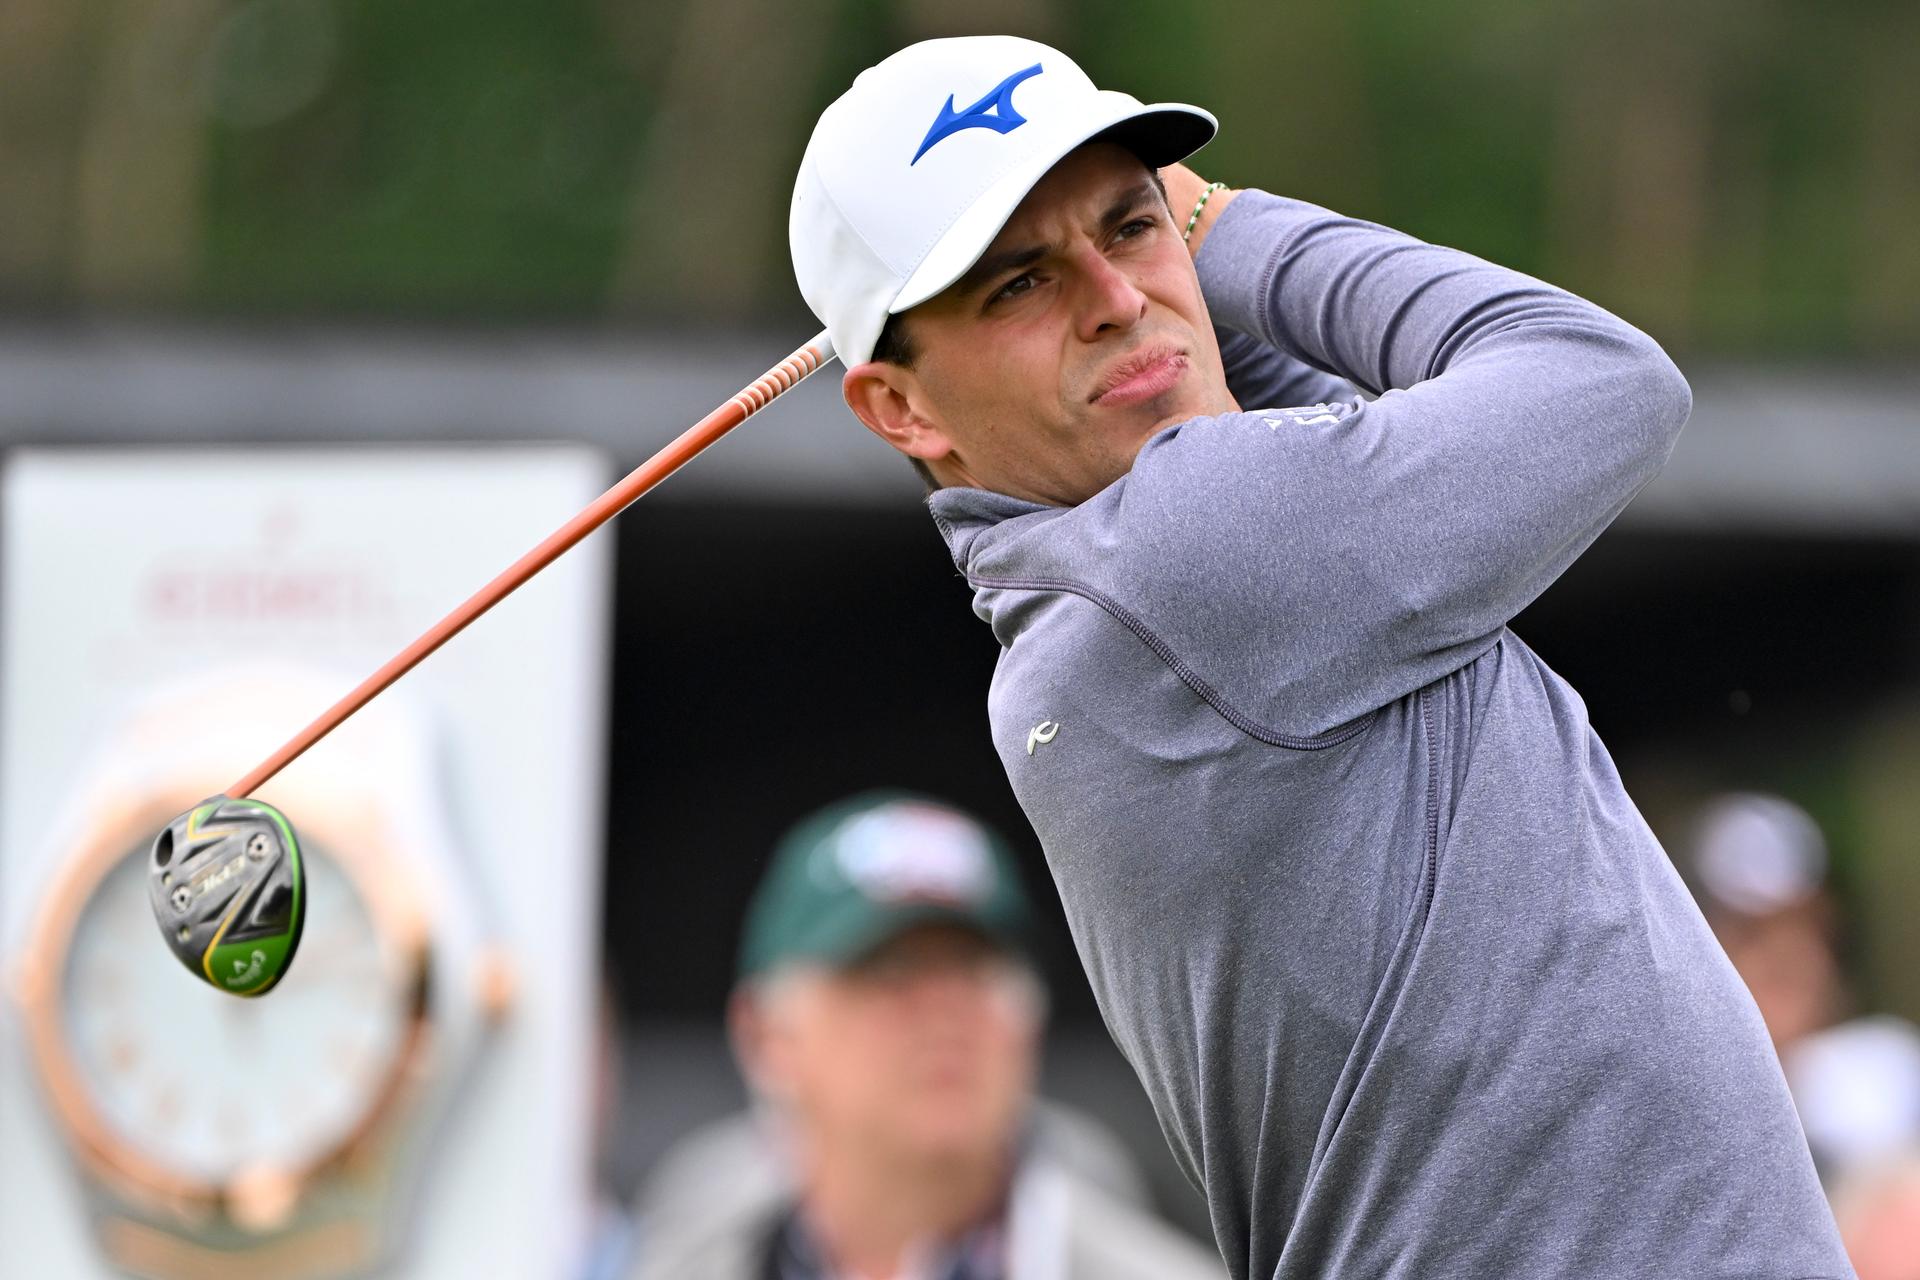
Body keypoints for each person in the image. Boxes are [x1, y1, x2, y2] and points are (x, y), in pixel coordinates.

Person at [784, 34, 1852, 1280]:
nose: (1117, 296)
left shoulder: (1102, 604)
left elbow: (1282, 410)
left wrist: (1157, 263)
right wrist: (1223, 226)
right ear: (900, 408)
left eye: (1130, 228)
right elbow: (1605, 380)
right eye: (1019, 283)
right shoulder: (1195, 550)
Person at [627, 791, 1225, 1280]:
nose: (946, 1010)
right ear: (765, 1036)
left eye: (978, 970)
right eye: (890, 969)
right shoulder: (668, 1257)